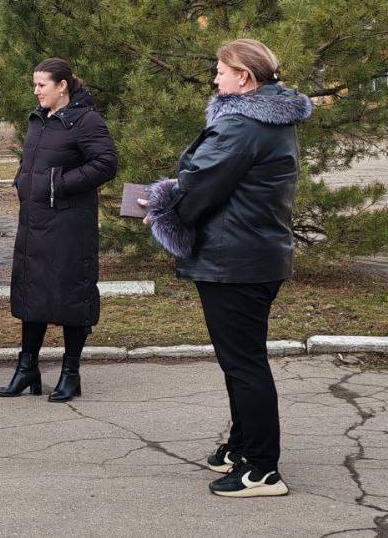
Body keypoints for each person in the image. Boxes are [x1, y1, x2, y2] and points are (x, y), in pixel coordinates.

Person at [142, 39, 312, 498]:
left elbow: (201, 187)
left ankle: (261, 469)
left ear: (244, 77)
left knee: (244, 364)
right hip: (251, 254)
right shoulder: (266, 119)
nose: (215, 78)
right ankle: (242, 446)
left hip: (236, 260)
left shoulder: (242, 124)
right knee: (240, 360)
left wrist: (162, 205)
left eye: (221, 71)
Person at [0, 59, 117, 402]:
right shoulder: (38, 120)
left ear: (62, 85)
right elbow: (29, 163)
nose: (35, 92)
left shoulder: (86, 120)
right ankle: (26, 368)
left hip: (69, 225)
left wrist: (60, 184)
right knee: (32, 293)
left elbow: (106, 163)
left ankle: (70, 373)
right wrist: (23, 180)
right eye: (34, 85)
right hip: (34, 222)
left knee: (70, 297)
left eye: (41, 85)